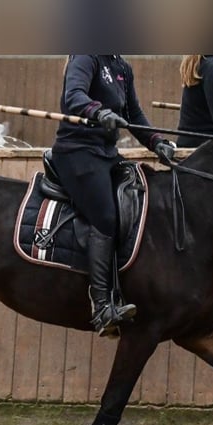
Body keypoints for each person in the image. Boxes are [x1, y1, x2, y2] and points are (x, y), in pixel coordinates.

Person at [50, 55, 176, 337]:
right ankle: (102, 305)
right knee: (105, 218)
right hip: (77, 152)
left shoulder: (122, 67)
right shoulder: (86, 56)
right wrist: (98, 111)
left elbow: (134, 115)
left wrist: (157, 142)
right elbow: (74, 95)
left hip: (106, 155)